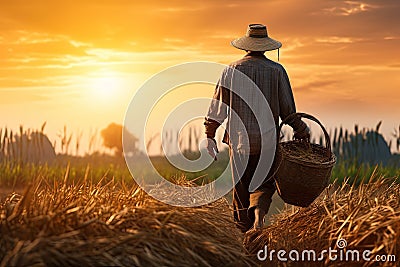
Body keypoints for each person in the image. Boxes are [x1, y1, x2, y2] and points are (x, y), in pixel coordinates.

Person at [204, 24, 310, 233]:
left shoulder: (232, 70)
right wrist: (301, 129)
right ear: (266, 47)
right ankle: (259, 219)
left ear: (246, 46)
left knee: (241, 189)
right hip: (267, 142)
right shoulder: (276, 70)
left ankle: (244, 234)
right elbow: (287, 110)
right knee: (264, 184)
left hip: (240, 141)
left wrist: (210, 135)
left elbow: (218, 107)